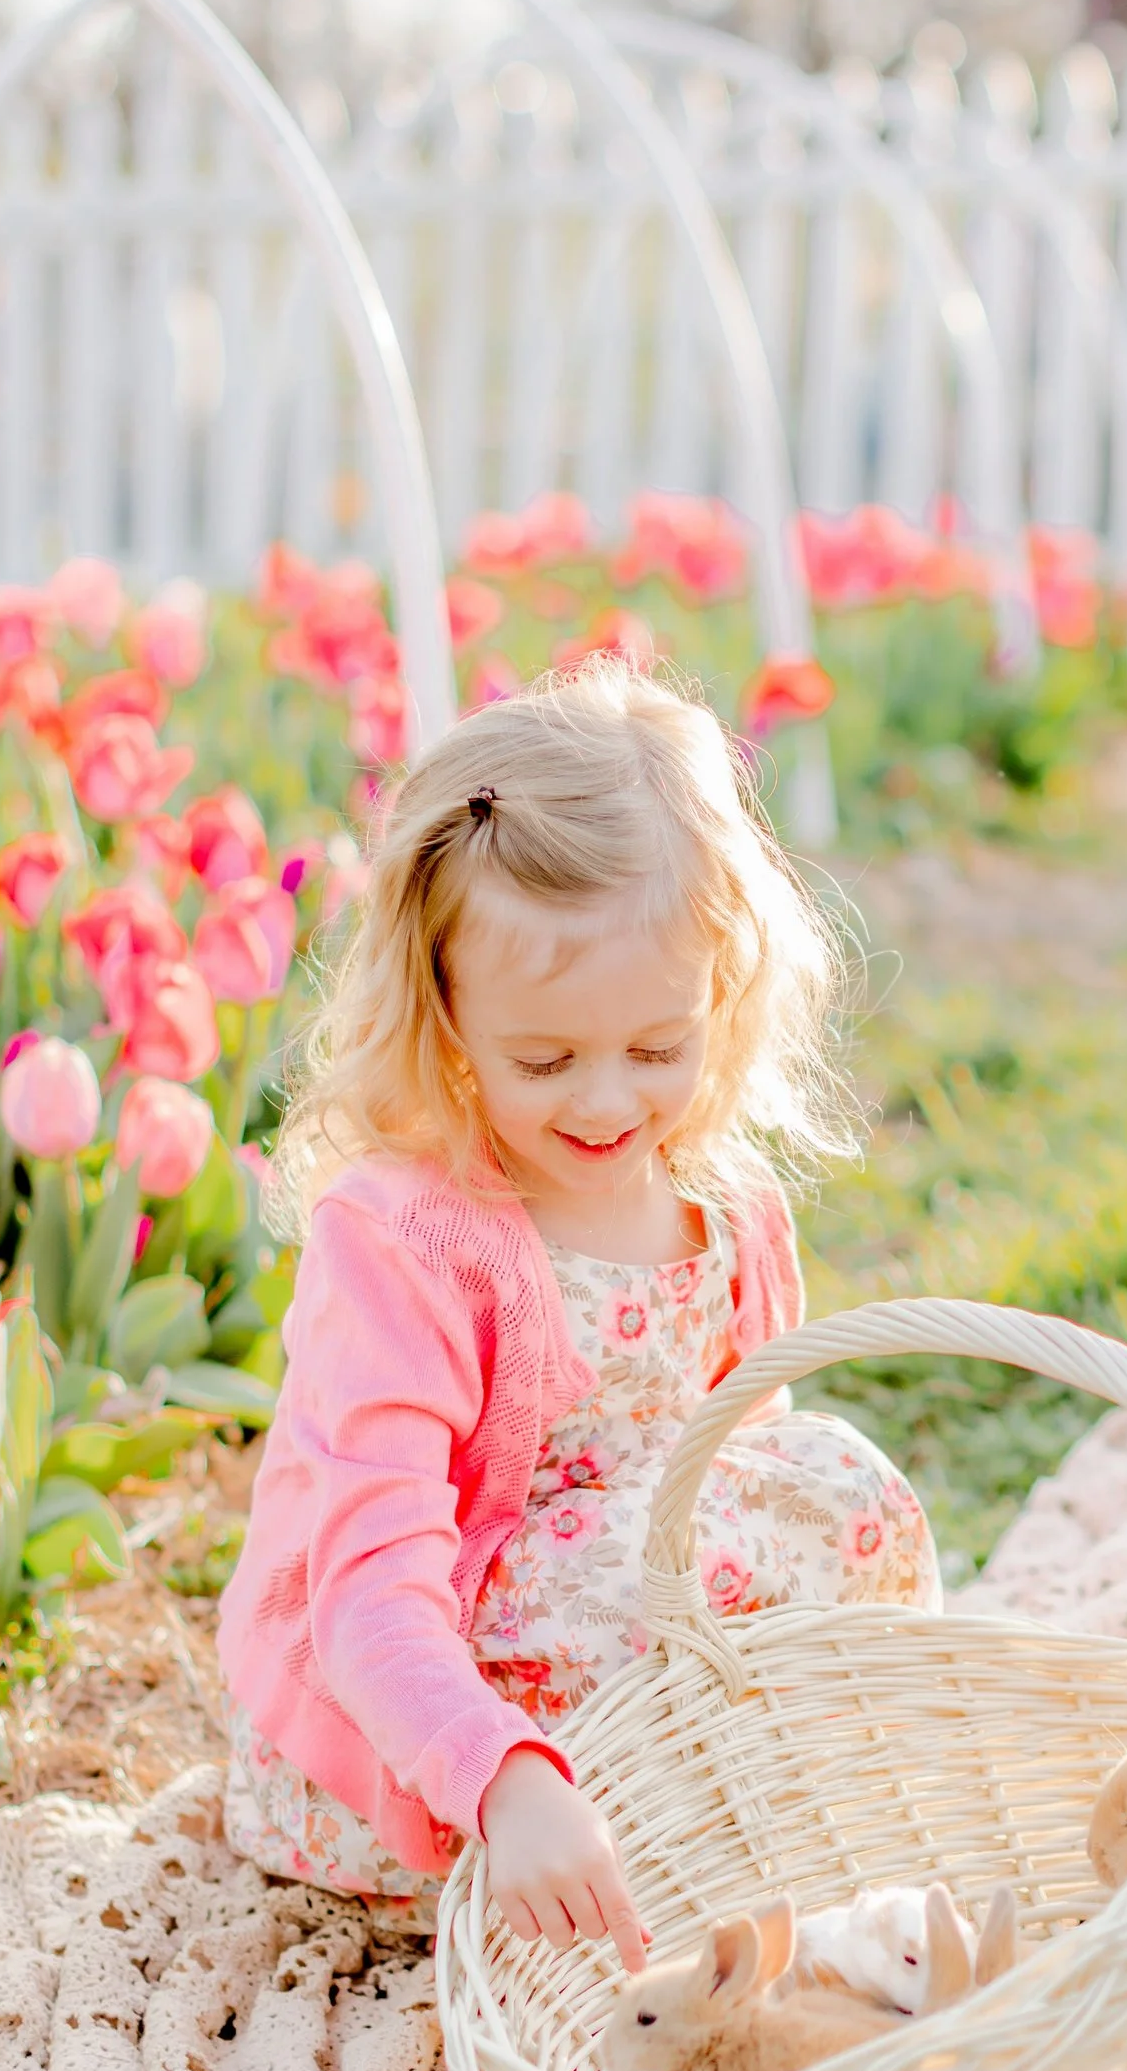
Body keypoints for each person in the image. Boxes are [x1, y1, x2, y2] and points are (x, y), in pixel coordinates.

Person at [216, 655, 935, 1968]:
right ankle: (613, 1830)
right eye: (544, 1058)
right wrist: (504, 1781)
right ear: (444, 1013)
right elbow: (367, 1585)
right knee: (670, 1555)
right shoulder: (406, 1237)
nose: (607, 1103)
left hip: (628, 1654)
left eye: (658, 1049)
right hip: (436, 1741)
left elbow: (750, 1469)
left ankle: (723, 1813)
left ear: (724, 992)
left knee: (832, 1483)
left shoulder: (726, 1205)